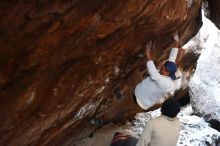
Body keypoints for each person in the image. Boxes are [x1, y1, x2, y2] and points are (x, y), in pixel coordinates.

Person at [90, 33, 184, 127]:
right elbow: (172, 58)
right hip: (140, 86)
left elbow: (154, 74)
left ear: (169, 74)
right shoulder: (170, 70)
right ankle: (121, 91)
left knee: (115, 108)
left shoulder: (167, 84)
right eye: (163, 66)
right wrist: (176, 41)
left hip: (137, 100)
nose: (162, 68)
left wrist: (148, 54)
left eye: (164, 69)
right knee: (134, 72)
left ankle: (101, 121)